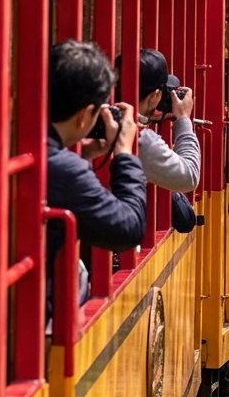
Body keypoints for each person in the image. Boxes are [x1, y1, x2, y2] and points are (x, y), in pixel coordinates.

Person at [46, 40, 146, 302]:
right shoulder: (64, 169)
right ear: (83, 115)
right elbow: (128, 229)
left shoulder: (23, 143)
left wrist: (85, 155)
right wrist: (123, 152)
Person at [118, 49, 201, 232]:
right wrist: (183, 119)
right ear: (155, 96)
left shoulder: (101, 120)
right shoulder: (139, 139)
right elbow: (189, 177)